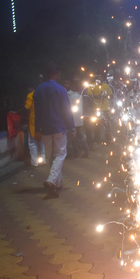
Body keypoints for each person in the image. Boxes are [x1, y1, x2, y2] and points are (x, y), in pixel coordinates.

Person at [33, 64, 76, 198]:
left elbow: (37, 112)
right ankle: (51, 180)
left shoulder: (38, 90)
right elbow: (66, 110)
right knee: (60, 155)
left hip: (45, 129)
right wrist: (72, 127)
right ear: (57, 74)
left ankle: (57, 184)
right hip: (59, 127)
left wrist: (37, 129)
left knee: (51, 156)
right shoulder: (61, 89)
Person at [68, 77, 89, 158]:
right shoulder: (73, 94)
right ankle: (81, 152)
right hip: (75, 119)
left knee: (76, 136)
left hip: (75, 119)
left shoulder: (77, 94)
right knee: (78, 136)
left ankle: (78, 153)